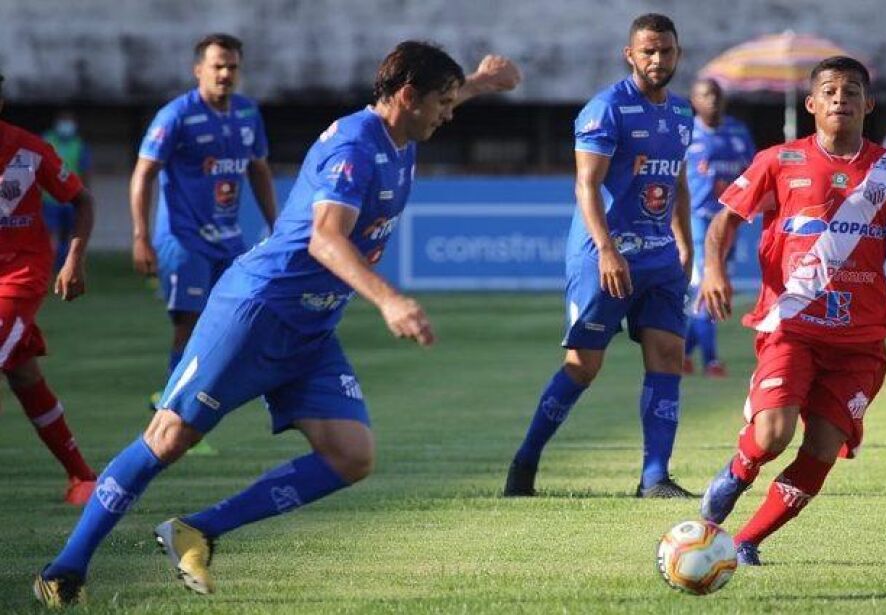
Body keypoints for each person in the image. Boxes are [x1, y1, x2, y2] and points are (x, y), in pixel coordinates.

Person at [34, 41, 522, 607]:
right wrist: (389, 300)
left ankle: (198, 530)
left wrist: (482, 81)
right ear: (408, 96)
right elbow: (325, 239)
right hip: (257, 312)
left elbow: (447, 94)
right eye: (442, 102)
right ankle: (65, 567)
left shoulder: (403, 128)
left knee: (351, 454)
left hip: (310, 329)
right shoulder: (355, 148)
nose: (448, 112)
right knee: (169, 438)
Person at [698, 56, 886, 565]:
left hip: (860, 341)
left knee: (822, 447)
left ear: (869, 104)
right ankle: (739, 469)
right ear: (812, 104)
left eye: (851, 91)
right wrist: (714, 269)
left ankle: (745, 542)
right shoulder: (778, 161)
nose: (841, 98)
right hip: (792, 325)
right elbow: (723, 223)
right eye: (830, 90)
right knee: (773, 434)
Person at [503, 13, 694, 499]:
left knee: (669, 355)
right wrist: (608, 249)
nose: (657, 59)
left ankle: (654, 477)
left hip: (659, 256)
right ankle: (525, 461)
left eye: (666, 51)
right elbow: (586, 184)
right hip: (603, 255)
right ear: (630, 54)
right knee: (584, 366)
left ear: (677, 54)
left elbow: (677, 181)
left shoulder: (681, 113)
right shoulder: (606, 108)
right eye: (648, 51)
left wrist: (685, 240)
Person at [130, 33, 278, 455]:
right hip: (184, 240)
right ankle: (175, 417)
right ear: (199, 69)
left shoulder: (248, 114)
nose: (225, 74)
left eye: (232, 66)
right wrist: (141, 235)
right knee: (189, 326)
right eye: (217, 66)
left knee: (242, 321)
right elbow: (143, 173)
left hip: (229, 239)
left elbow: (259, 170)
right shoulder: (175, 115)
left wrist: (277, 224)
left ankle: (185, 404)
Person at [0, 75, 97, 506]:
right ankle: (82, 477)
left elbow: (82, 200)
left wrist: (73, 259)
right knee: (22, 374)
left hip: (20, 274)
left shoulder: (28, 149)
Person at [682, 78, 755, 377]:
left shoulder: (738, 132)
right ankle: (711, 360)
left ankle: (683, 354)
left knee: (718, 289)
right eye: (704, 95)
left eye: (715, 95)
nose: (711, 100)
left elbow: (753, 170)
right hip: (697, 221)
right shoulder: (686, 133)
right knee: (706, 287)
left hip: (729, 221)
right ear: (694, 101)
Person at [42, 110, 92, 273]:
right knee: (51, 235)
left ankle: (69, 264)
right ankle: (51, 266)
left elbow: (85, 170)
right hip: (49, 199)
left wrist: (84, 193)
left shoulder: (79, 144)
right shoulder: (46, 140)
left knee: (72, 234)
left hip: (72, 197)